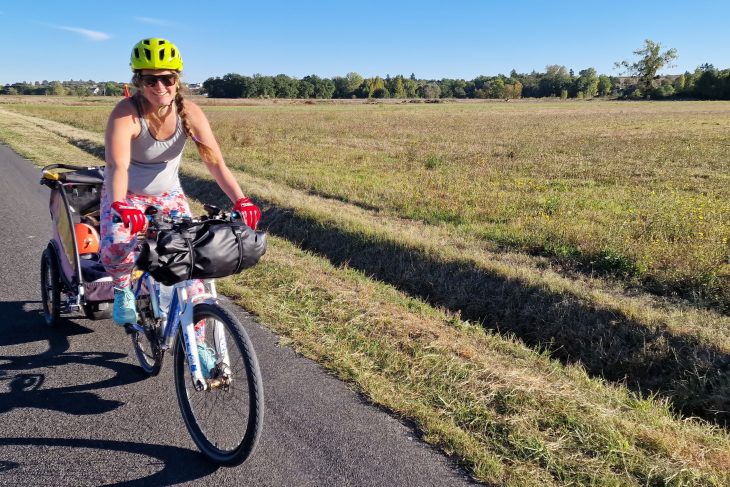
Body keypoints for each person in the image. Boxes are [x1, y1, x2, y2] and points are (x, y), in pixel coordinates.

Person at [101, 37, 261, 327]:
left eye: (167, 78)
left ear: (178, 79)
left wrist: (242, 199)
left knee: (190, 264)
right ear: (138, 81)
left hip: (168, 195)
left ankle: (198, 345)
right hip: (128, 196)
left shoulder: (191, 113)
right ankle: (123, 289)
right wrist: (120, 206)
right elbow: (117, 166)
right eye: (151, 79)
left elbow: (214, 162)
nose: (160, 87)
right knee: (116, 249)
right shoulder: (126, 113)